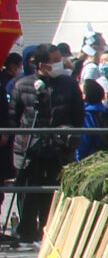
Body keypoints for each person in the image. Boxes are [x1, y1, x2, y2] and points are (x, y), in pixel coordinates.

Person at [9, 46, 79, 243]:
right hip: (30, 148)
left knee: (53, 193)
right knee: (28, 193)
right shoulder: (22, 85)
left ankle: (51, 233)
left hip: (59, 148)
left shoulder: (69, 84)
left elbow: (77, 115)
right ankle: (26, 233)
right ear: (41, 64)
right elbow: (14, 117)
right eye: (54, 60)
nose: (60, 63)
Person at [75, 78, 108, 159]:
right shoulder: (104, 111)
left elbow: (84, 143)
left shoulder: (86, 114)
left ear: (84, 95)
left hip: (91, 159)